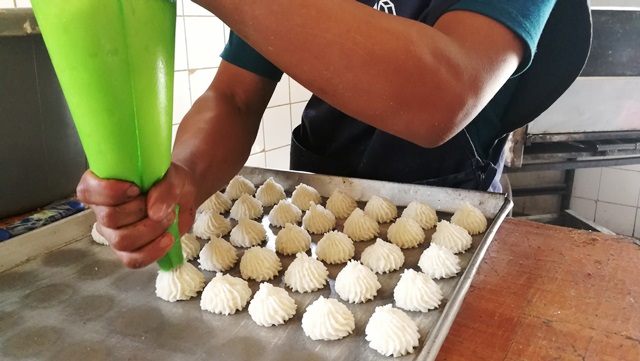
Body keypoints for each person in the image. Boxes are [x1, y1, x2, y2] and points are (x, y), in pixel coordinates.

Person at [77, 0, 591, 268]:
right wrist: (185, 175)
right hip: (320, 208)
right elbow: (234, 96)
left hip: (447, 209)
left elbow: (441, 94)